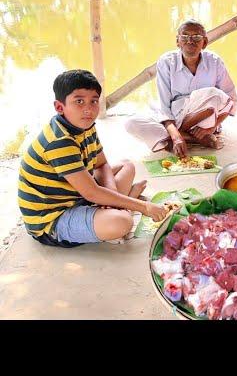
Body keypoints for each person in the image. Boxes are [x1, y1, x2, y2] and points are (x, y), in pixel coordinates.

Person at [17, 70, 167, 247]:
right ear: (59, 107)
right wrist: (143, 207)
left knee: (127, 166)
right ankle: (124, 205)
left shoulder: (85, 125)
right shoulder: (59, 142)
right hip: (53, 218)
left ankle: (116, 204)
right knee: (122, 222)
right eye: (79, 101)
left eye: (93, 101)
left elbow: (101, 164)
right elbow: (91, 192)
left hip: (77, 194)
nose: (88, 109)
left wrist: (111, 196)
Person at [125, 19, 237, 158]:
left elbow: (231, 98)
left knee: (214, 94)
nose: (190, 41)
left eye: (196, 37)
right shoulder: (166, 62)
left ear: (205, 42)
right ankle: (193, 138)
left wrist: (212, 127)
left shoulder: (215, 61)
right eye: (185, 36)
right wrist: (176, 136)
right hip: (176, 117)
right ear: (178, 41)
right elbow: (164, 106)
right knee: (132, 123)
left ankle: (174, 138)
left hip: (203, 122)